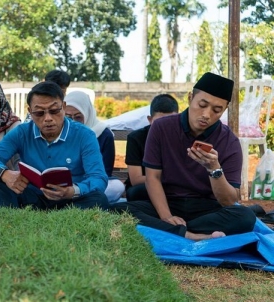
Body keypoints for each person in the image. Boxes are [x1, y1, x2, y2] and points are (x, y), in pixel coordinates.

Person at [111, 72, 256, 241]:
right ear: (190, 98)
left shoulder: (229, 141)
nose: (206, 115)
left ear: (224, 110)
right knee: (113, 210)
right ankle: (190, 235)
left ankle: (168, 230)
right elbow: (153, 178)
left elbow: (230, 201)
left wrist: (214, 169)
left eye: (217, 110)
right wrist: (166, 216)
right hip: (167, 202)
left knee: (246, 217)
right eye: (202, 105)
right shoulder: (161, 128)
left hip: (206, 208)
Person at [0, 81, 109, 210]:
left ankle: (54, 216)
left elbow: (98, 178)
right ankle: (11, 215)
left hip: (70, 199)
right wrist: (5, 174)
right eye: (40, 113)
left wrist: (73, 190)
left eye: (54, 111)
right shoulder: (22, 132)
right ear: (30, 112)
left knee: (98, 198)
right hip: (32, 196)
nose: (48, 118)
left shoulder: (84, 135)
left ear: (63, 107)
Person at [64, 91, 125, 203]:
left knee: (116, 187)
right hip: (64, 183)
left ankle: (77, 197)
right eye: (68, 117)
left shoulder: (103, 134)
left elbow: (105, 172)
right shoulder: (60, 132)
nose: (72, 122)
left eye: (77, 117)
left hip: (91, 183)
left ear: (87, 114)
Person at [124, 94, 179, 201]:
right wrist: (173, 177)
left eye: (169, 122)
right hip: (145, 186)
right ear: (150, 119)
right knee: (138, 192)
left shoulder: (183, 136)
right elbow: (136, 179)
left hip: (175, 187)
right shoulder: (136, 138)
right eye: (159, 123)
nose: (165, 127)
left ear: (178, 118)